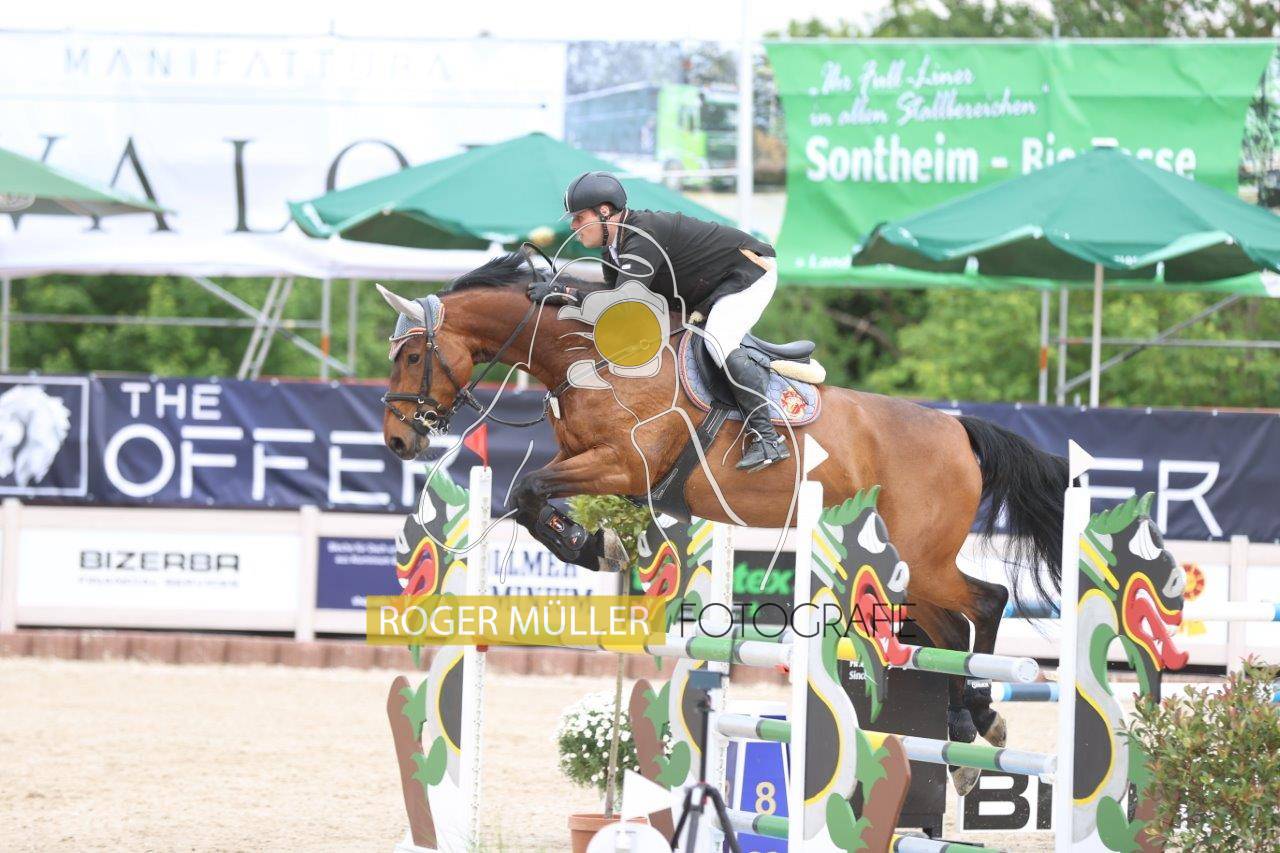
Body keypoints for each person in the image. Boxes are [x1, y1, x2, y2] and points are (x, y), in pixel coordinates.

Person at [531, 170, 789, 472]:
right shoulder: (613, 250)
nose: (573, 226)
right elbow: (613, 306)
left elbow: (624, 302)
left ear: (605, 211)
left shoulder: (641, 235)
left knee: (719, 339)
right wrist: (566, 294)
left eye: (579, 218)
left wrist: (565, 293)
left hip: (748, 272)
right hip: (709, 288)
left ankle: (767, 438)